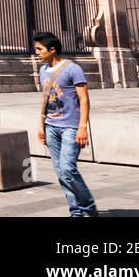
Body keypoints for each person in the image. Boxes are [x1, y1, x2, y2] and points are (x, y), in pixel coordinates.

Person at [34, 31, 98, 217]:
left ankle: (88, 208)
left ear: (52, 50)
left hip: (70, 126)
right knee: (61, 172)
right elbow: (45, 98)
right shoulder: (43, 70)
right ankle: (76, 211)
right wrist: (41, 124)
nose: (37, 52)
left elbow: (84, 100)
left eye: (40, 49)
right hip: (51, 126)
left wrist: (83, 127)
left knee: (68, 169)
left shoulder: (73, 69)